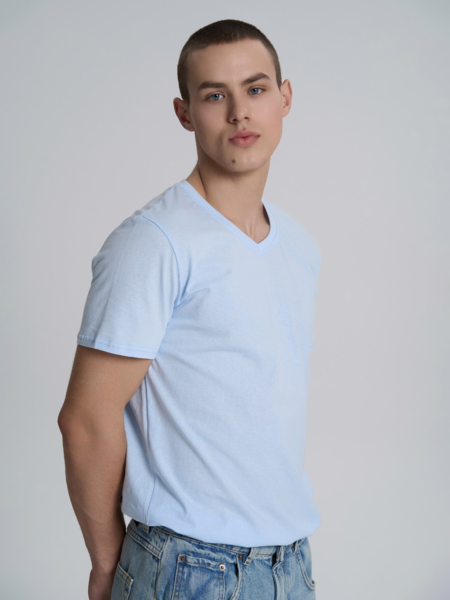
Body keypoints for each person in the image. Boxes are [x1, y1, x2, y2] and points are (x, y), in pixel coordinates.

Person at [58, 18, 321, 600]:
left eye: (255, 89)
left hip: (290, 563)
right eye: (214, 96)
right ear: (185, 113)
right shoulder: (154, 242)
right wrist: (107, 563)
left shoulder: (299, 246)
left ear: (285, 97)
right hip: (187, 568)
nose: (240, 113)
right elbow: (86, 418)